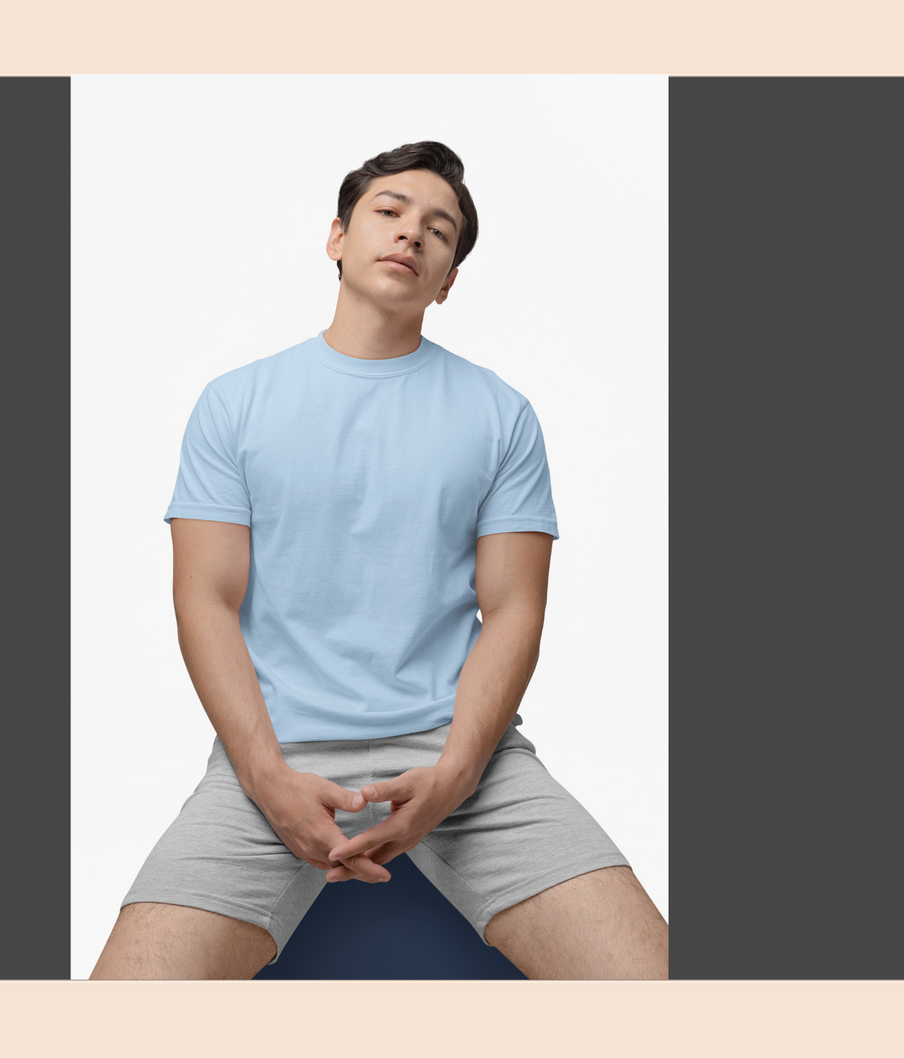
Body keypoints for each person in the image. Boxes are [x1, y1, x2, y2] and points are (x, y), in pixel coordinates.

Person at [90, 141, 668, 980]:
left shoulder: (499, 413)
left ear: (448, 281)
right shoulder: (235, 402)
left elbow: (513, 609)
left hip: (461, 754)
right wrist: (263, 776)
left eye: (439, 230)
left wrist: (458, 773)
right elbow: (205, 599)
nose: (410, 235)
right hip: (274, 758)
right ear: (336, 236)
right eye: (388, 212)